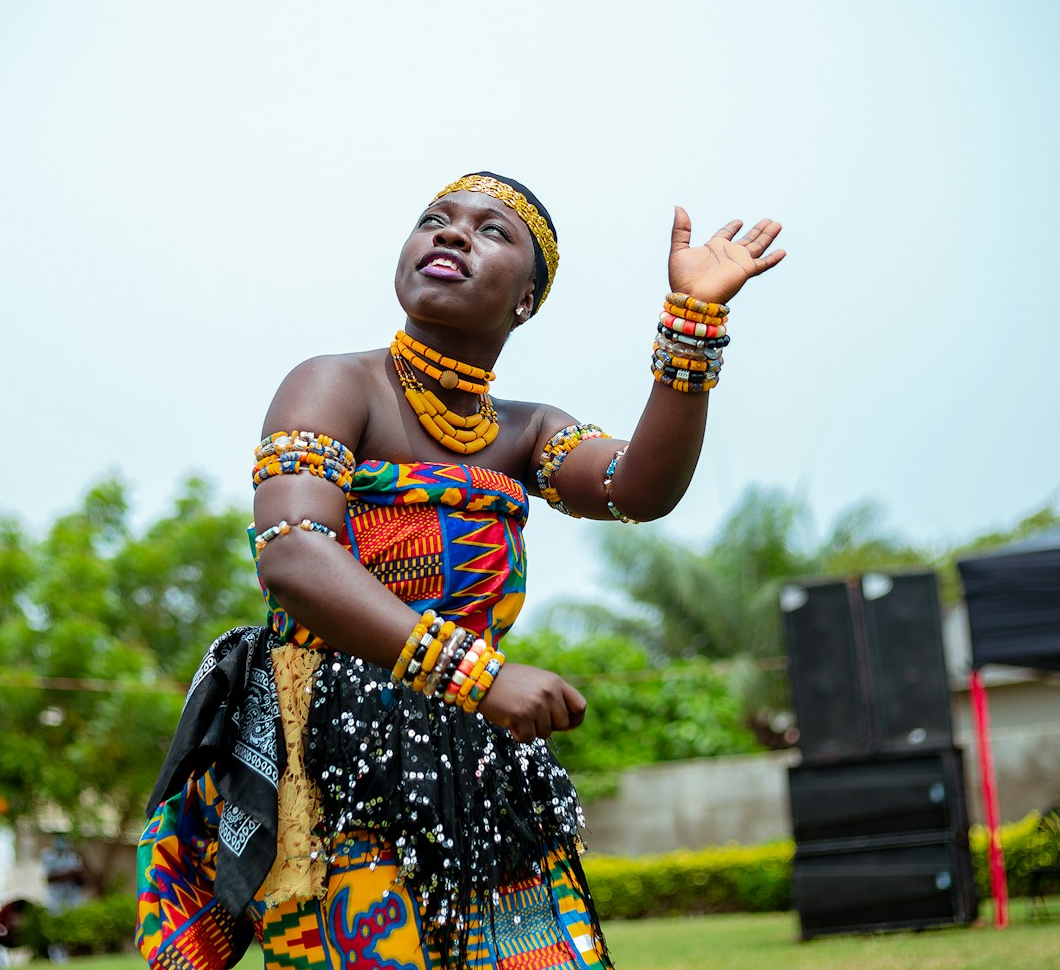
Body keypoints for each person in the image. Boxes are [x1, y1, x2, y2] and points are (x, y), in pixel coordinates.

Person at [137, 175, 785, 969]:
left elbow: (637, 489)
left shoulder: (526, 432)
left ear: (525, 300)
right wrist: (479, 677)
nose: (450, 235)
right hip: (336, 757)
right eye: (434, 221)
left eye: (490, 231)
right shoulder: (335, 384)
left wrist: (694, 321)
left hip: (478, 764)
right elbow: (296, 554)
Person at [39, 835, 86, 962]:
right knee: (56, 929)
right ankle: (58, 958)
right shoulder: (48, 855)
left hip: (72, 898)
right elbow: (49, 878)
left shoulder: (73, 856)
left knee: (74, 927)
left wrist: (64, 874)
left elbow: (81, 878)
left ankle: (75, 955)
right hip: (55, 899)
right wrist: (70, 873)